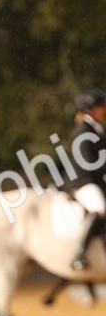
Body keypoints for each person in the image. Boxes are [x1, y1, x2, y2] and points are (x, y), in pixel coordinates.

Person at [68, 88, 106, 271]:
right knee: (99, 207)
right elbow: (88, 163)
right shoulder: (83, 131)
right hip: (83, 181)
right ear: (89, 110)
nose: (103, 110)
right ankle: (78, 253)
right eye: (100, 107)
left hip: (95, 180)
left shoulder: (96, 129)